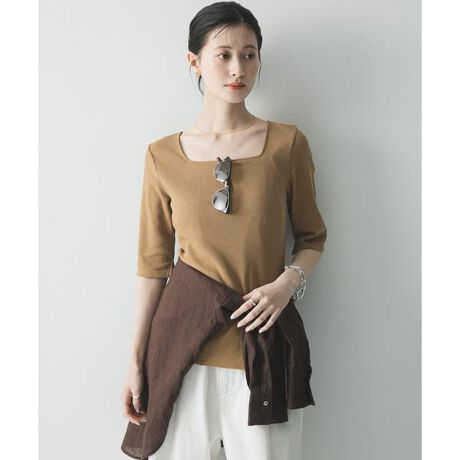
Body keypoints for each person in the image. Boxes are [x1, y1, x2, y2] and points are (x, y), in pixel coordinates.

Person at [121, 2, 327, 459]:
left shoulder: (287, 144)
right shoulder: (162, 156)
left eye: (250, 55)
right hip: (181, 353)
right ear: (194, 61)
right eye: (224, 55)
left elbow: (312, 237)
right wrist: (135, 360)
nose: (239, 68)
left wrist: (285, 286)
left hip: (265, 349)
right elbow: (153, 266)